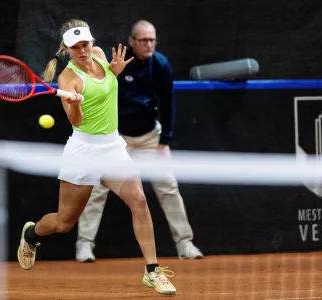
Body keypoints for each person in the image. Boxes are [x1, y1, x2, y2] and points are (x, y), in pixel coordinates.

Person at [17, 18, 176, 295]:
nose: (83, 50)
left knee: (139, 200)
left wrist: (113, 72)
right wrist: (76, 104)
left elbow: (106, 86)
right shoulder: (68, 78)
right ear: (67, 49)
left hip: (113, 147)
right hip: (83, 152)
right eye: (76, 47)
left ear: (92, 42)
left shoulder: (101, 55)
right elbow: (77, 123)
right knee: (64, 223)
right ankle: (31, 234)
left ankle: (152, 271)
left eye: (85, 44)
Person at [76, 20, 203, 263]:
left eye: (152, 40)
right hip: (115, 139)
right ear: (132, 41)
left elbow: (168, 103)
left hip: (149, 138)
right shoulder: (119, 65)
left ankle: (185, 243)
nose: (149, 44)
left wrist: (165, 141)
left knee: (168, 187)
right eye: (143, 40)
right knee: (97, 189)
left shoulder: (161, 65)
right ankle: (84, 245)